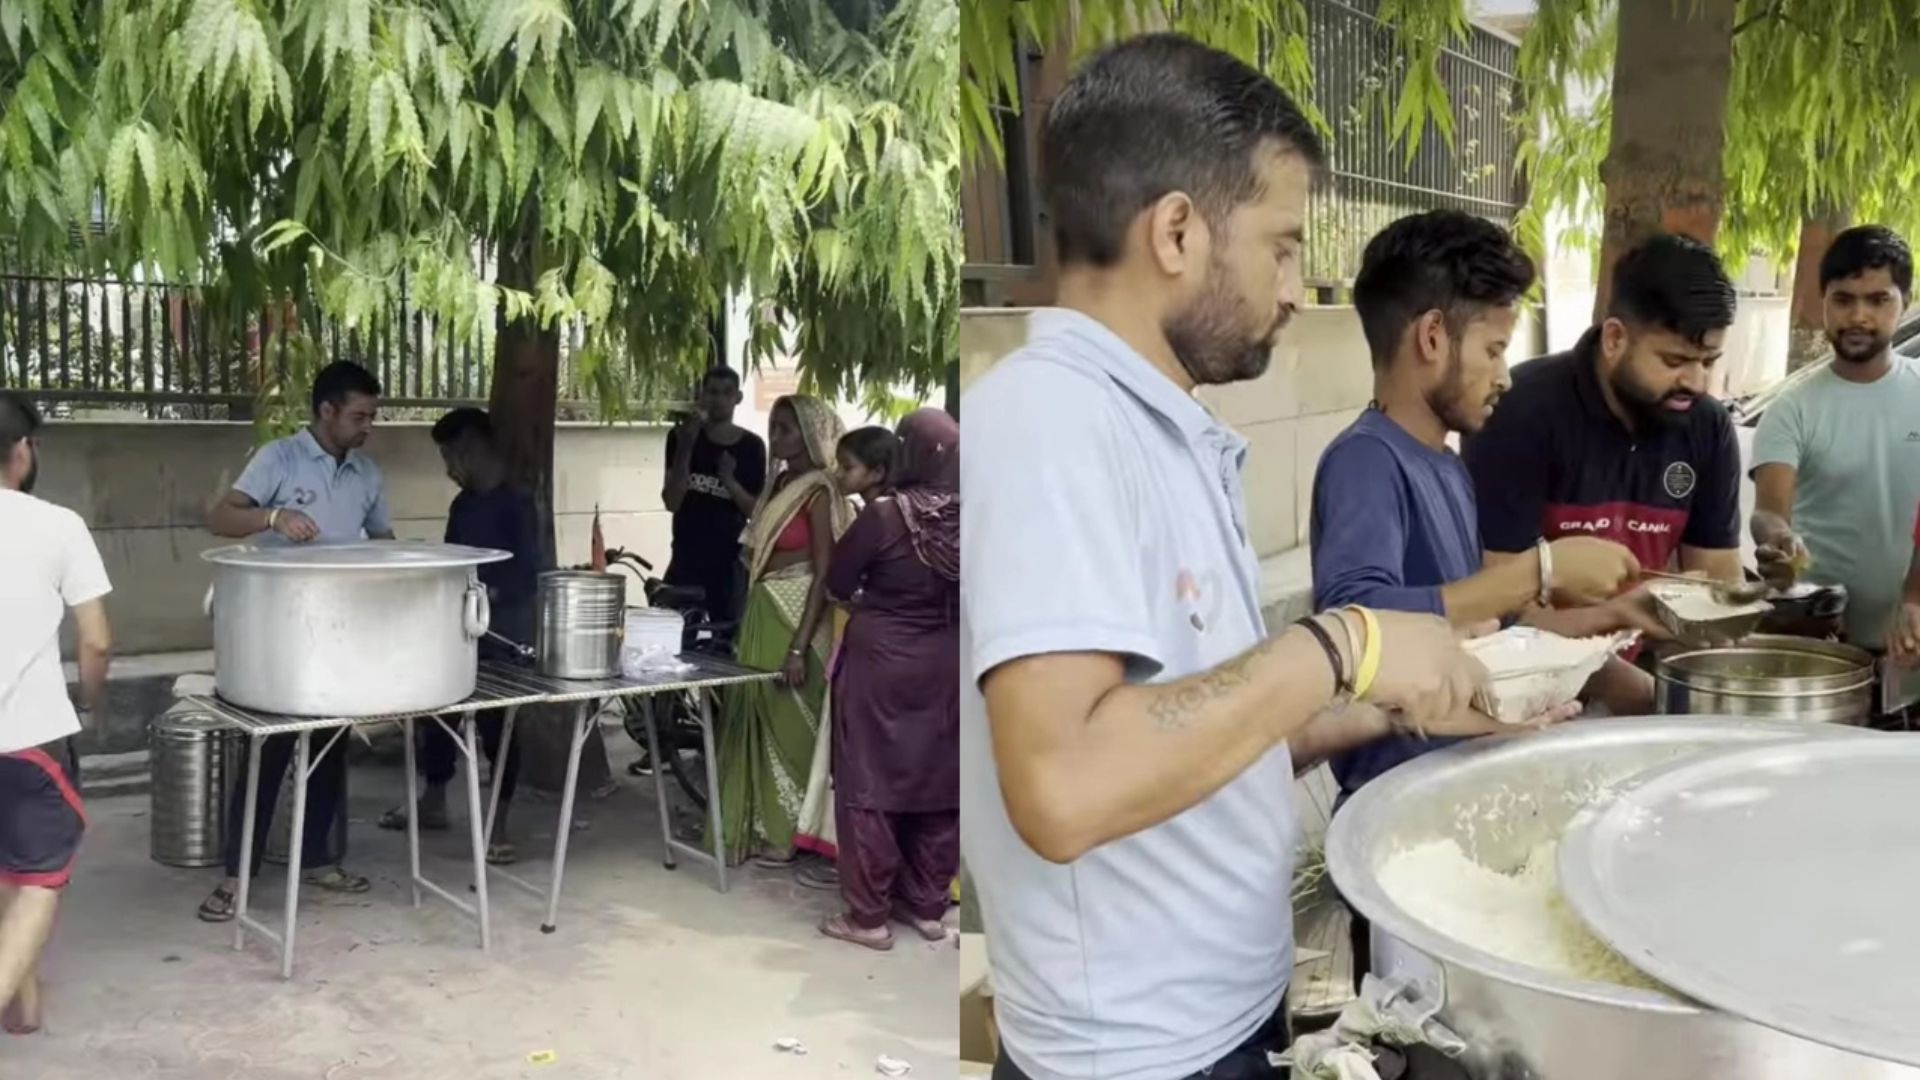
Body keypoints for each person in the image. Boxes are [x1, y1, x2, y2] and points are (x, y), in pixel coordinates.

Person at [964, 36, 1520, 1080]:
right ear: (1176, 231)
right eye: (1280, 244)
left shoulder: (1156, 425)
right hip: (1135, 1058)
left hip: (1214, 1024)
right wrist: (1342, 642)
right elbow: (1066, 782)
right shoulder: (1051, 423)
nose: (1298, 286)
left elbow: (1182, 725)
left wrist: (1381, 706)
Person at [1311, 210, 1643, 797]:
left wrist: (1611, 624)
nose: (1505, 377)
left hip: (1465, 782)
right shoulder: (1365, 462)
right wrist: (1538, 569)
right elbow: (1354, 621)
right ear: (1432, 336)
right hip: (1396, 798)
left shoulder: (1447, 464)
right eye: (1493, 350)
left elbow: (1479, 623)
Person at [1462, 233, 1745, 714]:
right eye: (1674, 361)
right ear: (1615, 338)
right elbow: (1500, 610)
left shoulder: (1707, 426)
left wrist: (1715, 692)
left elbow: (1715, 590)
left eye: (1708, 362)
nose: (1695, 383)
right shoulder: (1522, 411)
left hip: (1641, 685)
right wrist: (1649, 699)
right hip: (1524, 698)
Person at [198, 360, 390, 921]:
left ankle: (320, 861)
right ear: (326, 410)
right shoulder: (277, 458)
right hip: (279, 634)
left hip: (340, 628)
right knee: (270, 751)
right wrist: (274, 516)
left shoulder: (367, 473)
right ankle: (237, 877)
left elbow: (384, 543)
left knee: (330, 744)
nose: (366, 426)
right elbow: (220, 517)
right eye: (358, 415)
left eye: (372, 417)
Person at [818, 409, 959, 951]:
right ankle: (926, 909)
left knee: (869, 782)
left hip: (882, 665)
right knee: (939, 784)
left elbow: (839, 580)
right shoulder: (979, 514)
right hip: (947, 663)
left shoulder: (884, 515)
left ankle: (868, 918)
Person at [377, 409, 542, 864]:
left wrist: (484, 597)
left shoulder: (518, 503)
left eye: (449, 456)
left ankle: (500, 823)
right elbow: (454, 562)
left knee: (499, 729)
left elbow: (528, 575)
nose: (447, 469)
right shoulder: (463, 505)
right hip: (460, 628)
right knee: (439, 714)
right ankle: (433, 801)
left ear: (472, 449)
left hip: (506, 635)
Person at [0, 392, 112, 1036]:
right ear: (22, 451)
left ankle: (25, 1006)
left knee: (9, 863)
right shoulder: (57, 524)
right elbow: (95, 639)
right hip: (33, 734)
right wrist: (90, 703)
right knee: (40, 877)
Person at [1750, 226, 1919, 652]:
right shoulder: (1792, 409)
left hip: (1913, 644)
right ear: (1823, 302)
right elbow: (1769, 514)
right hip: (1821, 642)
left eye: (1878, 300)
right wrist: (1778, 543)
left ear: (1906, 304)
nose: (1859, 316)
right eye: (1843, 299)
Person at [715, 394, 855, 865]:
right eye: (774, 427)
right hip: (763, 607)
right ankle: (757, 824)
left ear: (814, 435)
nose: (777, 436)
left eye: (788, 429)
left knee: (792, 722)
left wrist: (798, 648)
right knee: (754, 712)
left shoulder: (819, 492)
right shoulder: (780, 483)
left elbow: (825, 569)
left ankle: (792, 831)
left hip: (800, 618)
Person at [662, 367, 768, 628]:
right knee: (675, 629)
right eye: (712, 392)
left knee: (723, 634)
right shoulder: (679, 437)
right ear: (701, 395)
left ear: (738, 398)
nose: (718, 399)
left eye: (726, 393)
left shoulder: (751, 446)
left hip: (729, 560)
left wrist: (729, 480)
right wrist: (686, 446)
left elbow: (756, 511)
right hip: (686, 554)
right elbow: (672, 501)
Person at [835, 426, 897, 503]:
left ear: (877, 472)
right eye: (838, 465)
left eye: (847, 467)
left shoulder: (881, 512)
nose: (837, 474)